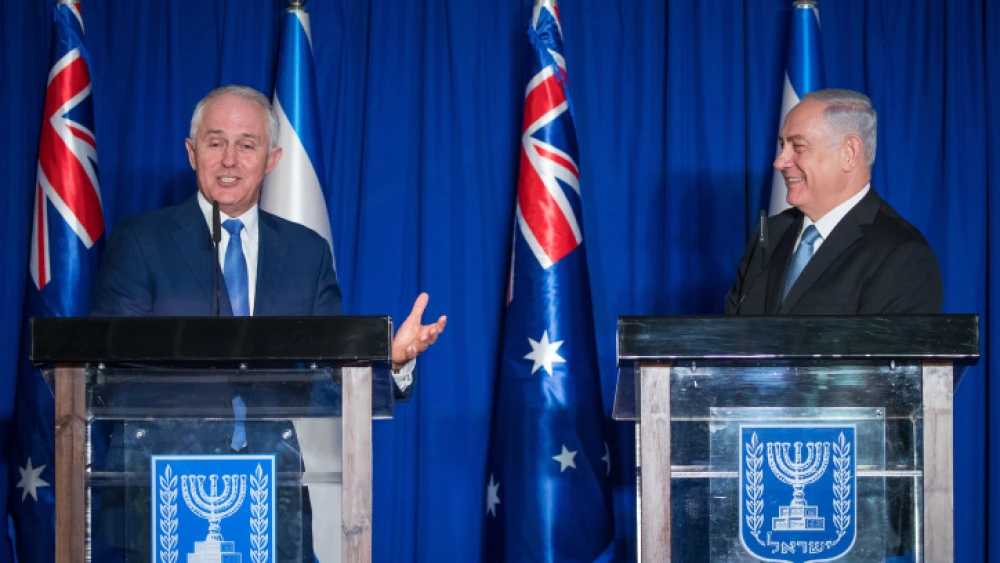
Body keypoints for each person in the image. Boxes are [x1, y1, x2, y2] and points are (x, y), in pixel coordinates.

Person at [88, 85, 446, 562]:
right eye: (215, 143)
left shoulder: (306, 253)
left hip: (269, 493)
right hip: (161, 489)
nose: (230, 160)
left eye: (247, 144)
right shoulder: (140, 242)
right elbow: (111, 372)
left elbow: (331, 380)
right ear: (192, 153)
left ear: (273, 159)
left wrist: (390, 360)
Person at [725, 88, 942, 315]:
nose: (779, 162)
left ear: (849, 153)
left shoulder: (901, 255)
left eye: (797, 146)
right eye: (782, 146)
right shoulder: (771, 233)